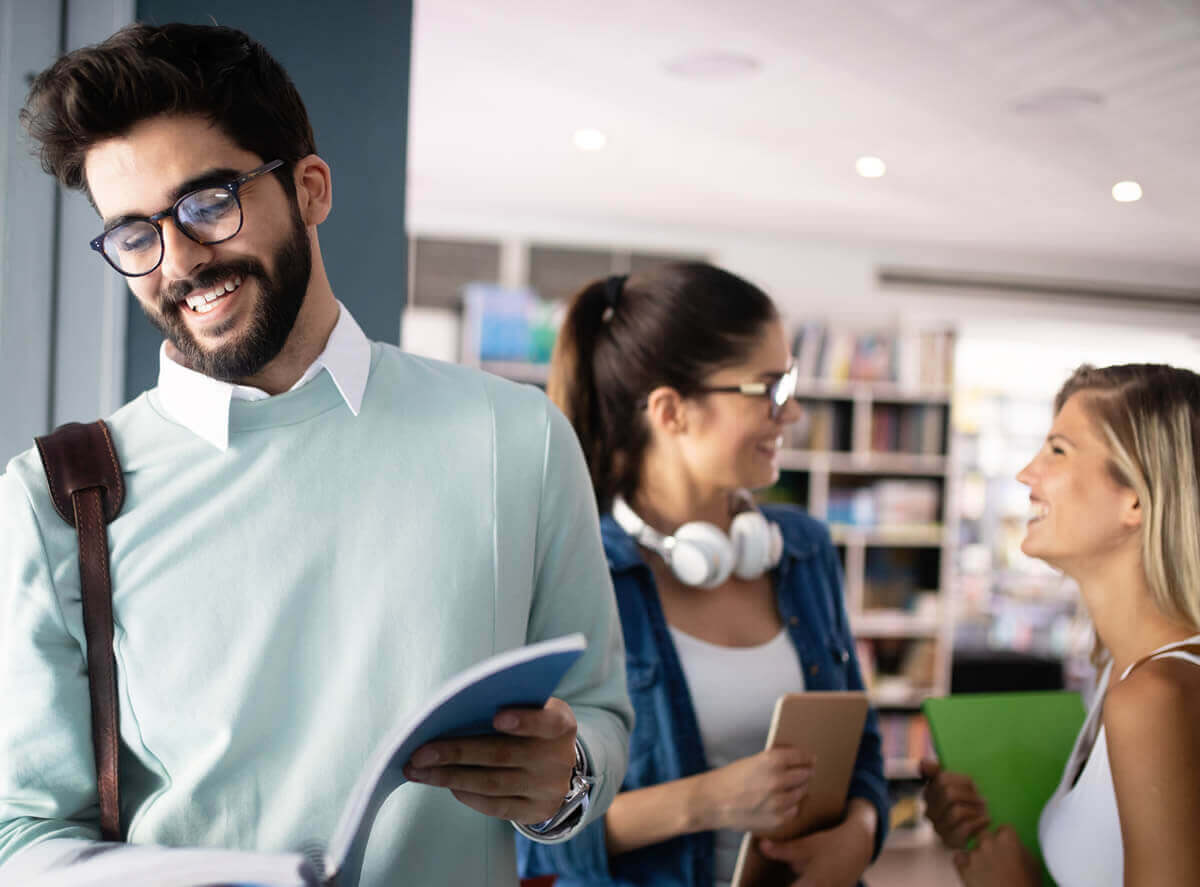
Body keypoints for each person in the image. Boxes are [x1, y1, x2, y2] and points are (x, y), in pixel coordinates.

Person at [0, 23, 632, 885]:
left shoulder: (514, 436)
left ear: (309, 188)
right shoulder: (56, 494)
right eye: (135, 234)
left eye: (208, 203)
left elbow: (598, 716)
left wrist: (563, 780)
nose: (179, 261)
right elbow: (22, 834)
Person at [517, 264, 889, 887]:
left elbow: (865, 753)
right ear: (671, 411)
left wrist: (860, 833)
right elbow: (530, 838)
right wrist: (709, 801)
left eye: (789, 383)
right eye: (769, 388)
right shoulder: (576, 570)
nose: (792, 411)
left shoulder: (803, 552)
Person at [921, 363, 1200, 887]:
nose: (1027, 474)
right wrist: (980, 827)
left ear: (1135, 497)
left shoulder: (1155, 697)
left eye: (1057, 450)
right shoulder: (1115, 671)